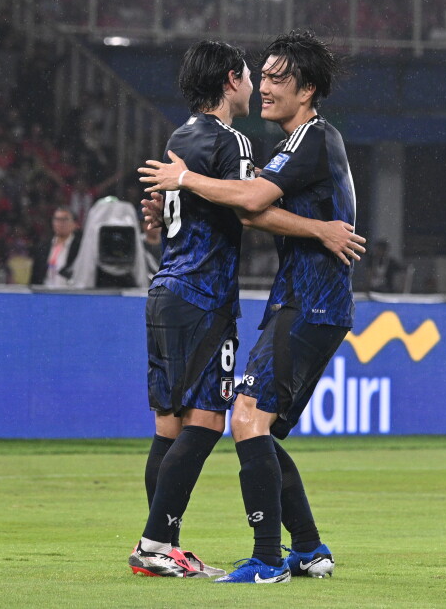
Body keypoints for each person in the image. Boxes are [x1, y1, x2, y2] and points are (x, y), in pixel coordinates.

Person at [128, 39, 364, 580]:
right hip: (286, 298)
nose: (265, 87)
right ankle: (307, 549)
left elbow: (253, 204)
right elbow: (250, 203)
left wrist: (184, 186)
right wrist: (317, 228)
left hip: (309, 300)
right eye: (263, 76)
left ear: (307, 89)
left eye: (278, 78)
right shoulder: (286, 143)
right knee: (247, 424)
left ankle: (265, 559)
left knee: (239, 419)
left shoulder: (312, 137)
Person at [30, 206, 82, 287]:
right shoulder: (43, 247)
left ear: (74, 224)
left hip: (70, 292)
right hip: (45, 292)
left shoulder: (80, 248)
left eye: (65, 219)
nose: (60, 223)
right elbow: (35, 277)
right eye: (57, 219)